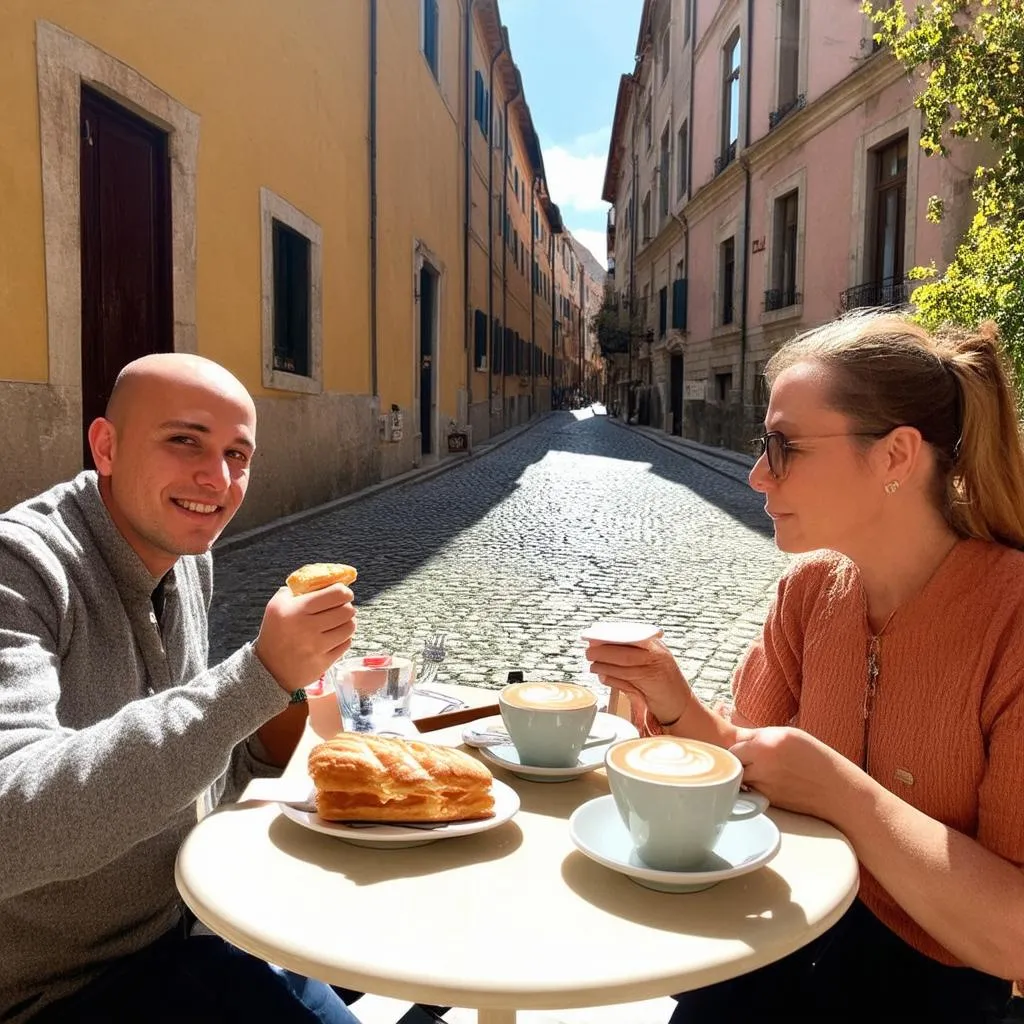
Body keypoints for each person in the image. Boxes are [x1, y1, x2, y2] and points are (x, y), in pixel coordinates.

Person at [586, 314, 1024, 1022]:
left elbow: (1013, 941)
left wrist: (840, 792)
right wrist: (670, 699)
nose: (759, 473)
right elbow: (750, 765)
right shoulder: (812, 589)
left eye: (784, 447)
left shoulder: (1012, 619)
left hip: (927, 992)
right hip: (774, 938)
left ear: (895, 457)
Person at [0, 354, 363, 1023]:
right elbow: (11, 827)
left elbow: (201, 777)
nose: (217, 478)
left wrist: (288, 696)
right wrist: (257, 675)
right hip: (60, 989)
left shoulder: (188, 560)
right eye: (184, 441)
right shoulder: (20, 569)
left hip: (191, 922)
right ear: (106, 447)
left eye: (238, 454)